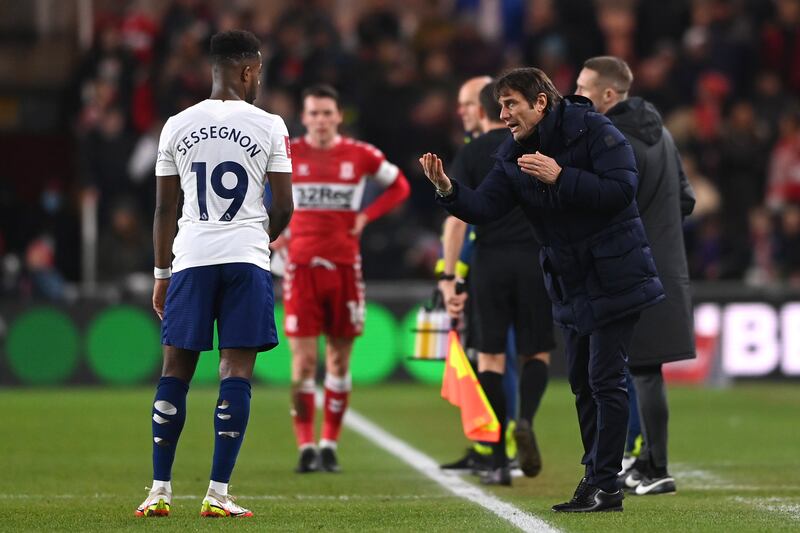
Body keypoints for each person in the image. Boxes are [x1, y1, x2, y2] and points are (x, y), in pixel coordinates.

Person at [420, 67, 665, 513]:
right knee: (582, 384)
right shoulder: (513, 153)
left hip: (616, 273)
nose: (503, 115)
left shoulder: (593, 128)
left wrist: (560, 176)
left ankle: (607, 485)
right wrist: (448, 190)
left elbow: (622, 190)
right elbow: (486, 206)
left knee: (605, 379)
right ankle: (595, 478)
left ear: (540, 102)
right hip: (572, 281)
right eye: (500, 106)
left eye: (510, 104)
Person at [135, 30, 293, 518]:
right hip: (245, 259)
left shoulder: (176, 124)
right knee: (235, 371)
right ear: (248, 70)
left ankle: (159, 491)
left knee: (175, 371)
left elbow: (164, 208)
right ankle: (217, 493)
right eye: (259, 72)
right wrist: (255, 240)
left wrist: (163, 272)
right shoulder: (269, 124)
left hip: (190, 258)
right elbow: (284, 205)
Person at [575, 56, 696, 495]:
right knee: (644, 368)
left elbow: (599, 202)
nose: (577, 94)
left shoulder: (607, 137)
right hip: (666, 264)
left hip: (627, 267)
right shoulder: (661, 133)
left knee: (626, 369)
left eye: (584, 87)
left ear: (609, 94)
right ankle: (645, 462)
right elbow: (686, 199)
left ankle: (649, 465)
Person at [283, 84, 410, 473]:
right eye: (314, 113)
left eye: (327, 113)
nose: (321, 120)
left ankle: (329, 444)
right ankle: (306, 446)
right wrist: (274, 231)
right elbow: (258, 191)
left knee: (338, 359)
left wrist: (365, 216)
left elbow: (400, 185)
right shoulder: (288, 154)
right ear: (304, 118)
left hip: (343, 267)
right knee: (303, 363)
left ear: (338, 117)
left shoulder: (360, 154)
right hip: (301, 267)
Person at [440, 81, 555, 486]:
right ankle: (524, 420)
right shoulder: (539, 143)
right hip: (536, 259)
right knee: (536, 353)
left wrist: (452, 276)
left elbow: (460, 220)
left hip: (489, 262)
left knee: (489, 359)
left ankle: (498, 460)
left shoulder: (472, 152)